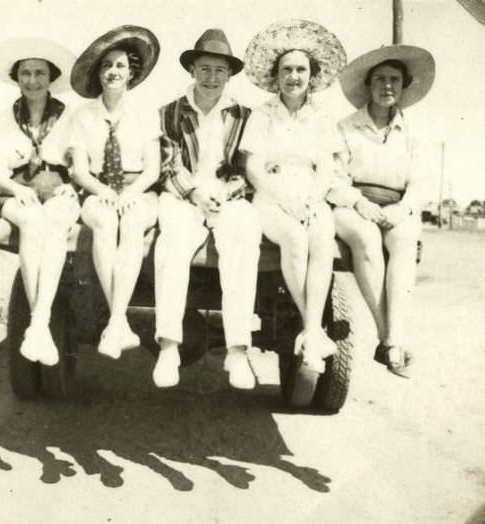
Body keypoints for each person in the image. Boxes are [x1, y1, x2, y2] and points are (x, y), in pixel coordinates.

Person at [153, 28, 261, 389]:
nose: (211, 78)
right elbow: (167, 165)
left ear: (229, 75)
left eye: (219, 70)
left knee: (244, 240)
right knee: (172, 244)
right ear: (192, 71)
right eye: (204, 69)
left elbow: (250, 168)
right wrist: (194, 193)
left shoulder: (245, 116)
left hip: (229, 195)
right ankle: (169, 348)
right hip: (183, 194)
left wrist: (229, 192)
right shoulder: (169, 111)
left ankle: (238, 351)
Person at [241, 19, 347, 374]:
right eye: (286, 70)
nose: (293, 77)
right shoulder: (262, 114)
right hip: (272, 195)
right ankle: (313, 330)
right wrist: (282, 197)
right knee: (295, 240)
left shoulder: (322, 118)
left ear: (311, 75)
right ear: (276, 75)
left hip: (311, 194)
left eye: (301, 69)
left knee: (321, 238)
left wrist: (314, 200)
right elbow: (253, 167)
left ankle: (312, 331)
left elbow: (327, 169)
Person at [327, 44, 435, 378]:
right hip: (353, 205)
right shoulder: (346, 127)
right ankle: (389, 339)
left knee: (404, 241)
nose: (387, 86)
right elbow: (332, 180)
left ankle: (393, 339)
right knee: (366, 238)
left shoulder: (414, 132)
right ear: (368, 85)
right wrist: (360, 203)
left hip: (398, 207)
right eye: (380, 79)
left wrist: (403, 209)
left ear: (403, 87)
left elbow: (420, 183)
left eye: (394, 80)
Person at [67, 25, 161, 359]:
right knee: (105, 222)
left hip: (139, 190)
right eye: (107, 66)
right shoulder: (83, 116)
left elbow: (153, 168)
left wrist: (132, 192)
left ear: (132, 72)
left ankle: (117, 322)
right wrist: (103, 190)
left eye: (120, 65)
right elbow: (79, 169)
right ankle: (119, 321)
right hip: (98, 189)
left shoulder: (145, 112)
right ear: (98, 74)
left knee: (134, 224)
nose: (113, 71)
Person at [0, 37, 80, 366]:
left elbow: (82, 165)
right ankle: (41, 328)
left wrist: (76, 187)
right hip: (18, 190)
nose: (32, 80)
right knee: (31, 221)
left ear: (52, 77)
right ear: (16, 77)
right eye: (25, 73)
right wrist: (17, 190)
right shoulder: (5, 117)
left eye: (40, 73)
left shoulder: (70, 116)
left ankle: (38, 326)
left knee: (54, 224)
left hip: (59, 189)